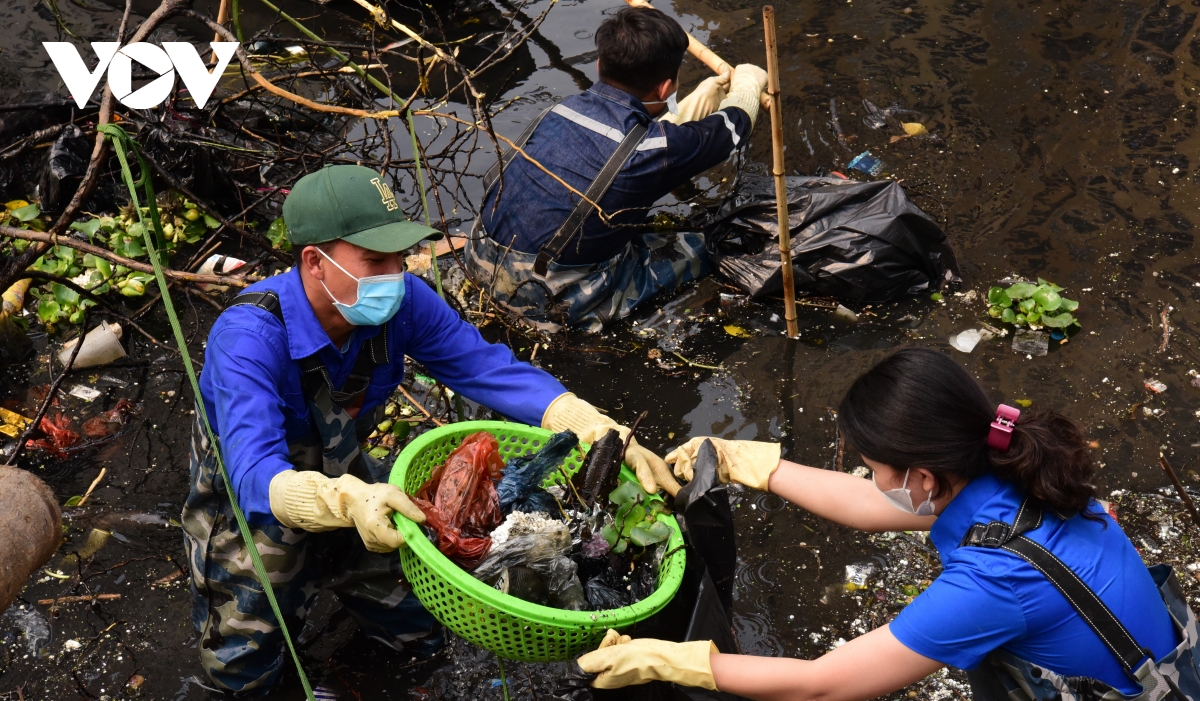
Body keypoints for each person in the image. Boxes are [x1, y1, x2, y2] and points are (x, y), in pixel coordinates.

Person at [181, 165, 677, 693]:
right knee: (245, 662)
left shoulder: (402, 302)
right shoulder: (249, 338)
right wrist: (342, 503)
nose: (394, 273)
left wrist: (588, 422)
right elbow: (254, 472)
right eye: (374, 260)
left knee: (416, 631)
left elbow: (484, 367)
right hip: (255, 502)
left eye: (399, 255)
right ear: (314, 262)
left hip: (351, 476)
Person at [576, 348, 1200, 701]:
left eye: (874, 467)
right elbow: (875, 506)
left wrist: (671, 660)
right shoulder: (1020, 469)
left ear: (923, 476)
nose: (871, 482)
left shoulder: (990, 585)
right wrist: (758, 466)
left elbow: (822, 686)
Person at [464, 6, 768, 333]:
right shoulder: (653, 151)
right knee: (719, 242)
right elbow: (732, 127)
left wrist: (694, 103)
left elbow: (625, 146)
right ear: (665, 89)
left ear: (599, 65)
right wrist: (747, 86)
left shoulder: (561, 110)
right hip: (543, 300)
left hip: (478, 261)